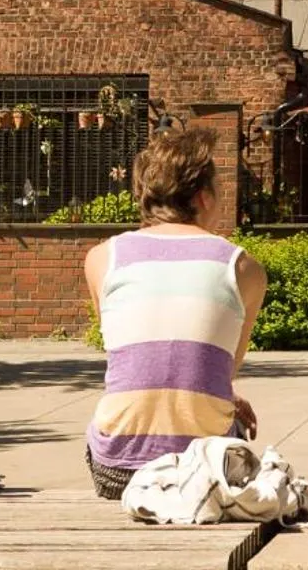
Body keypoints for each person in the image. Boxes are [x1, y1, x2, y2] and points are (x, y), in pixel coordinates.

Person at [83, 125, 266, 500]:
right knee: (236, 444)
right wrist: (224, 395)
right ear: (203, 198)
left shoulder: (102, 259)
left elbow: (136, 358)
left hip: (118, 471)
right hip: (206, 471)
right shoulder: (243, 269)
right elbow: (220, 365)